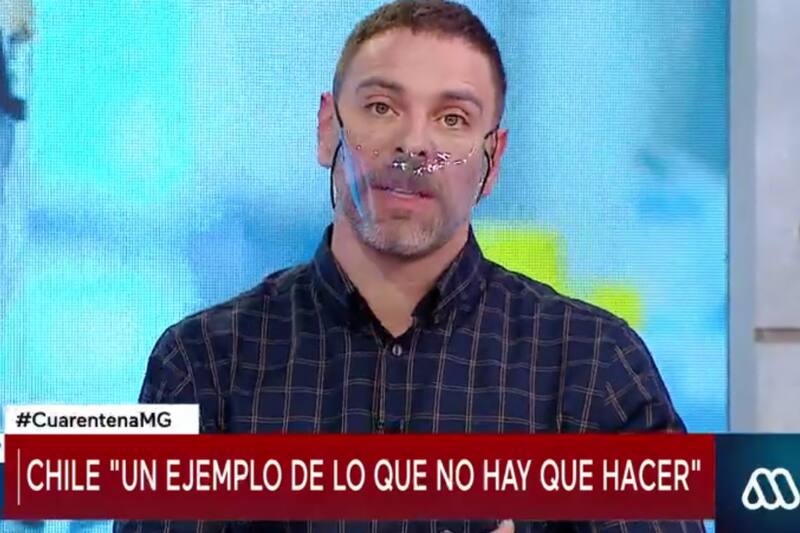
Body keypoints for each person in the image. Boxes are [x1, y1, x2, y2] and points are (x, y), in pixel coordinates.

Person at [117, 1, 704, 531]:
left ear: (492, 162)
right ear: (328, 130)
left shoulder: (594, 364)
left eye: (452, 119)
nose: (413, 144)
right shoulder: (204, 363)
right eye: (381, 107)